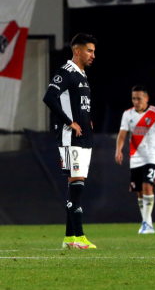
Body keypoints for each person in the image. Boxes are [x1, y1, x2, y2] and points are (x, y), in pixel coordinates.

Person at [42, 33, 97, 250]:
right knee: (77, 186)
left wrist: (87, 120)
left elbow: (79, 104)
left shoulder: (82, 75)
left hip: (84, 137)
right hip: (70, 138)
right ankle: (80, 237)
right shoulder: (66, 72)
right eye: (89, 50)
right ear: (77, 51)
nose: (93, 55)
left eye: (93, 51)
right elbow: (49, 97)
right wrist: (69, 122)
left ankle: (68, 238)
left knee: (75, 186)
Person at [115, 85, 155, 234]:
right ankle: (147, 222)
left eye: (139, 98)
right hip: (135, 157)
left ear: (146, 98)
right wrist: (118, 150)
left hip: (152, 156)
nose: (136, 101)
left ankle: (146, 224)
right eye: (133, 98)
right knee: (139, 192)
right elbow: (122, 134)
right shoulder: (128, 114)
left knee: (147, 187)